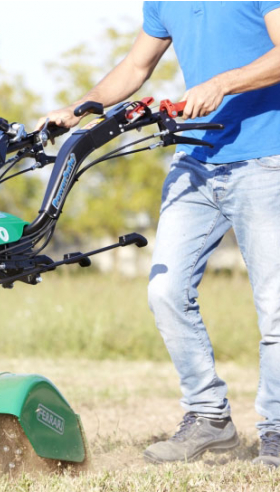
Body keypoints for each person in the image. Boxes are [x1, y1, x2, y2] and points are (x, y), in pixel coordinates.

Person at [37, 2, 280, 466]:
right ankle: (210, 417)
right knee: (166, 291)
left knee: (275, 307)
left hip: (267, 159)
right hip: (196, 158)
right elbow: (135, 65)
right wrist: (78, 108)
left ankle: (277, 431)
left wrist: (223, 82)